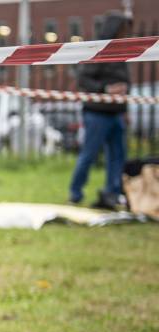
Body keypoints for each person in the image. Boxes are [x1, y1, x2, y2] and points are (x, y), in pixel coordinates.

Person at [69, 11, 132, 209]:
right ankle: (75, 193)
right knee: (89, 154)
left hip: (116, 114)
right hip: (97, 113)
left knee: (118, 155)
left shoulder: (121, 53)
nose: (126, 34)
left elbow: (124, 84)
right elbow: (83, 79)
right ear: (114, 29)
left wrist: (125, 108)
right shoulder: (98, 51)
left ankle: (112, 192)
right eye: (123, 30)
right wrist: (105, 89)